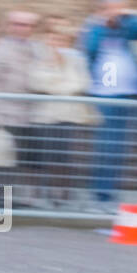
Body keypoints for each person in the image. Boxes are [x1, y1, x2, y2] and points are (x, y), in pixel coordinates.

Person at [81, 0, 137, 205]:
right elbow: (90, 48)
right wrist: (103, 22)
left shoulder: (129, 27)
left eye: (120, 8)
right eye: (112, 8)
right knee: (109, 144)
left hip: (134, 91)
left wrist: (134, 15)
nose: (116, 12)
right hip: (107, 94)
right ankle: (103, 194)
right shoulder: (94, 28)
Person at [29, 16, 96, 207]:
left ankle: (61, 195)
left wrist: (55, 86)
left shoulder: (76, 59)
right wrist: (62, 86)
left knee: (63, 156)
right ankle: (39, 194)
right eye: (53, 39)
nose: (56, 44)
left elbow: (82, 82)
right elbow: (35, 81)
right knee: (41, 155)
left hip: (67, 115)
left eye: (61, 40)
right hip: (44, 115)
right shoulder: (41, 60)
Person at [0, 11, 40, 201]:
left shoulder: (37, 49)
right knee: (1, 159)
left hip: (29, 115)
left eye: (26, 25)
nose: (21, 28)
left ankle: (13, 198)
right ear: (8, 25)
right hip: (4, 112)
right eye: (17, 24)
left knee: (19, 159)